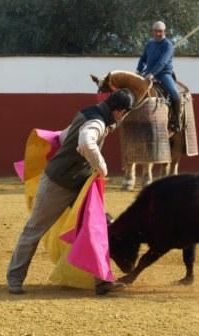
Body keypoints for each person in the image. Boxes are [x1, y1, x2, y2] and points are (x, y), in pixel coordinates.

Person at [7, 88, 135, 296]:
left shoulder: (87, 112)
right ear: (120, 111)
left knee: (95, 226)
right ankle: (14, 278)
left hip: (77, 184)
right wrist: (102, 168)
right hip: (58, 184)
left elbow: (64, 136)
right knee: (34, 230)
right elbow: (86, 142)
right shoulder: (97, 123)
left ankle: (102, 281)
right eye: (126, 113)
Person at [136, 21, 182, 132]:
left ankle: (176, 120)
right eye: (156, 31)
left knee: (175, 94)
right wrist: (138, 70)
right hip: (147, 74)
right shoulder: (150, 44)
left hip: (163, 74)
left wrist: (153, 73)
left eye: (160, 31)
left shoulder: (168, 45)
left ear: (164, 31)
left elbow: (162, 62)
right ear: (152, 31)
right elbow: (143, 58)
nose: (157, 34)